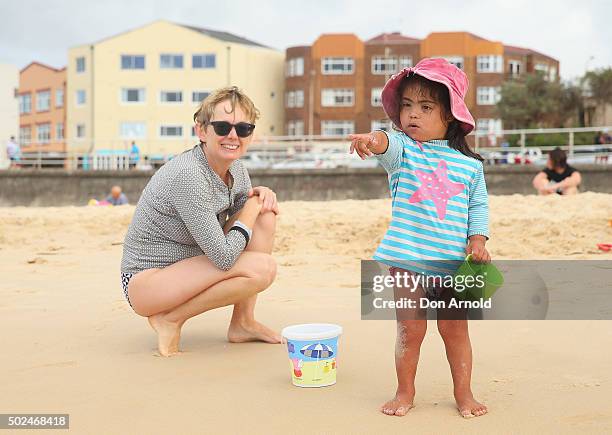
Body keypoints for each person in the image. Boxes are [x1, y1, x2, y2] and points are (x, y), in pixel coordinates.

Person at [349, 58, 490, 418]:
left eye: (426, 107)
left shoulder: (471, 166)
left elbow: (478, 206)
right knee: (410, 330)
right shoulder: (404, 151)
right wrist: (372, 138)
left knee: (455, 330)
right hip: (408, 259)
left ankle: (464, 394)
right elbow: (385, 143)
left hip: (454, 261)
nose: (413, 114)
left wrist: (478, 241)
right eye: (407, 105)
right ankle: (404, 392)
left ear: (451, 115)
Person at [121, 86, 279, 357]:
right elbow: (224, 258)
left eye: (243, 129)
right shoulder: (188, 175)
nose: (233, 136)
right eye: (222, 127)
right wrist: (251, 209)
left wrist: (257, 200)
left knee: (265, 214)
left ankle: (243, 322)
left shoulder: (237, 170)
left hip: (192, 263)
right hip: (147, 281)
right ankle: (170, 319)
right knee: (261, 269)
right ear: (202, 131)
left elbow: (244, 227)